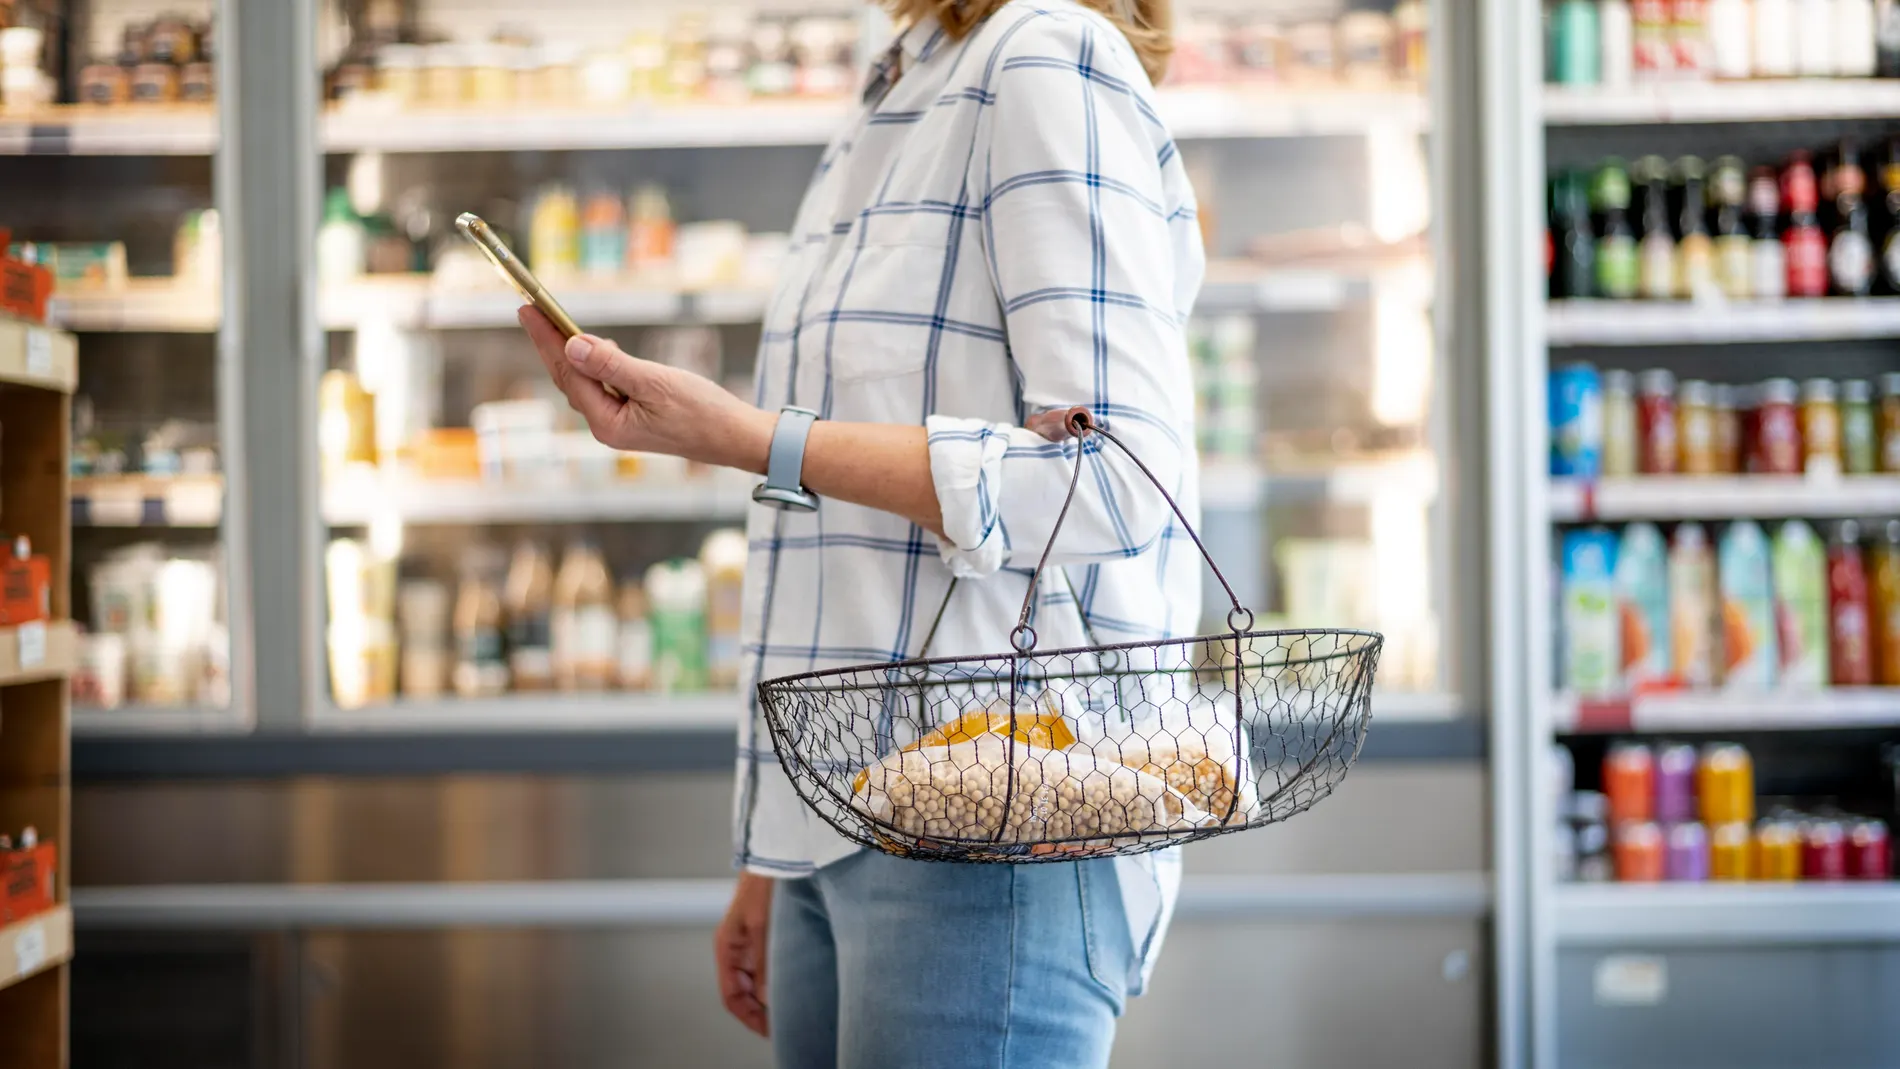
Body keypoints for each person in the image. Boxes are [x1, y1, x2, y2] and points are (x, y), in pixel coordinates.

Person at [521, 0, 1202, 1063]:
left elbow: (1121, 478)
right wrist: (773, 849)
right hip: (835, 815)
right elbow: (839, 558)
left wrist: (754, 439)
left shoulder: (1045, 56)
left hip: (996, 817)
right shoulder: (903, 79)